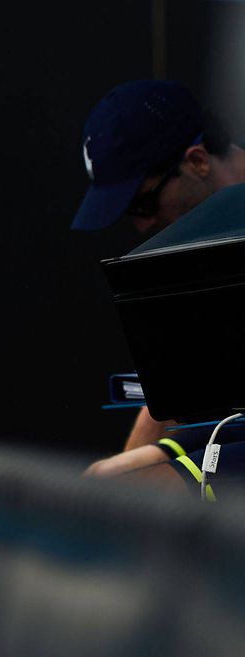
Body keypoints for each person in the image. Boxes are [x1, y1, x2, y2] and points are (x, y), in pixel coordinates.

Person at [71, 79, 245, 494]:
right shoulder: (204, 247)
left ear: (199, 161)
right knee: (111, 484)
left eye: (144, 203)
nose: (142, 225)